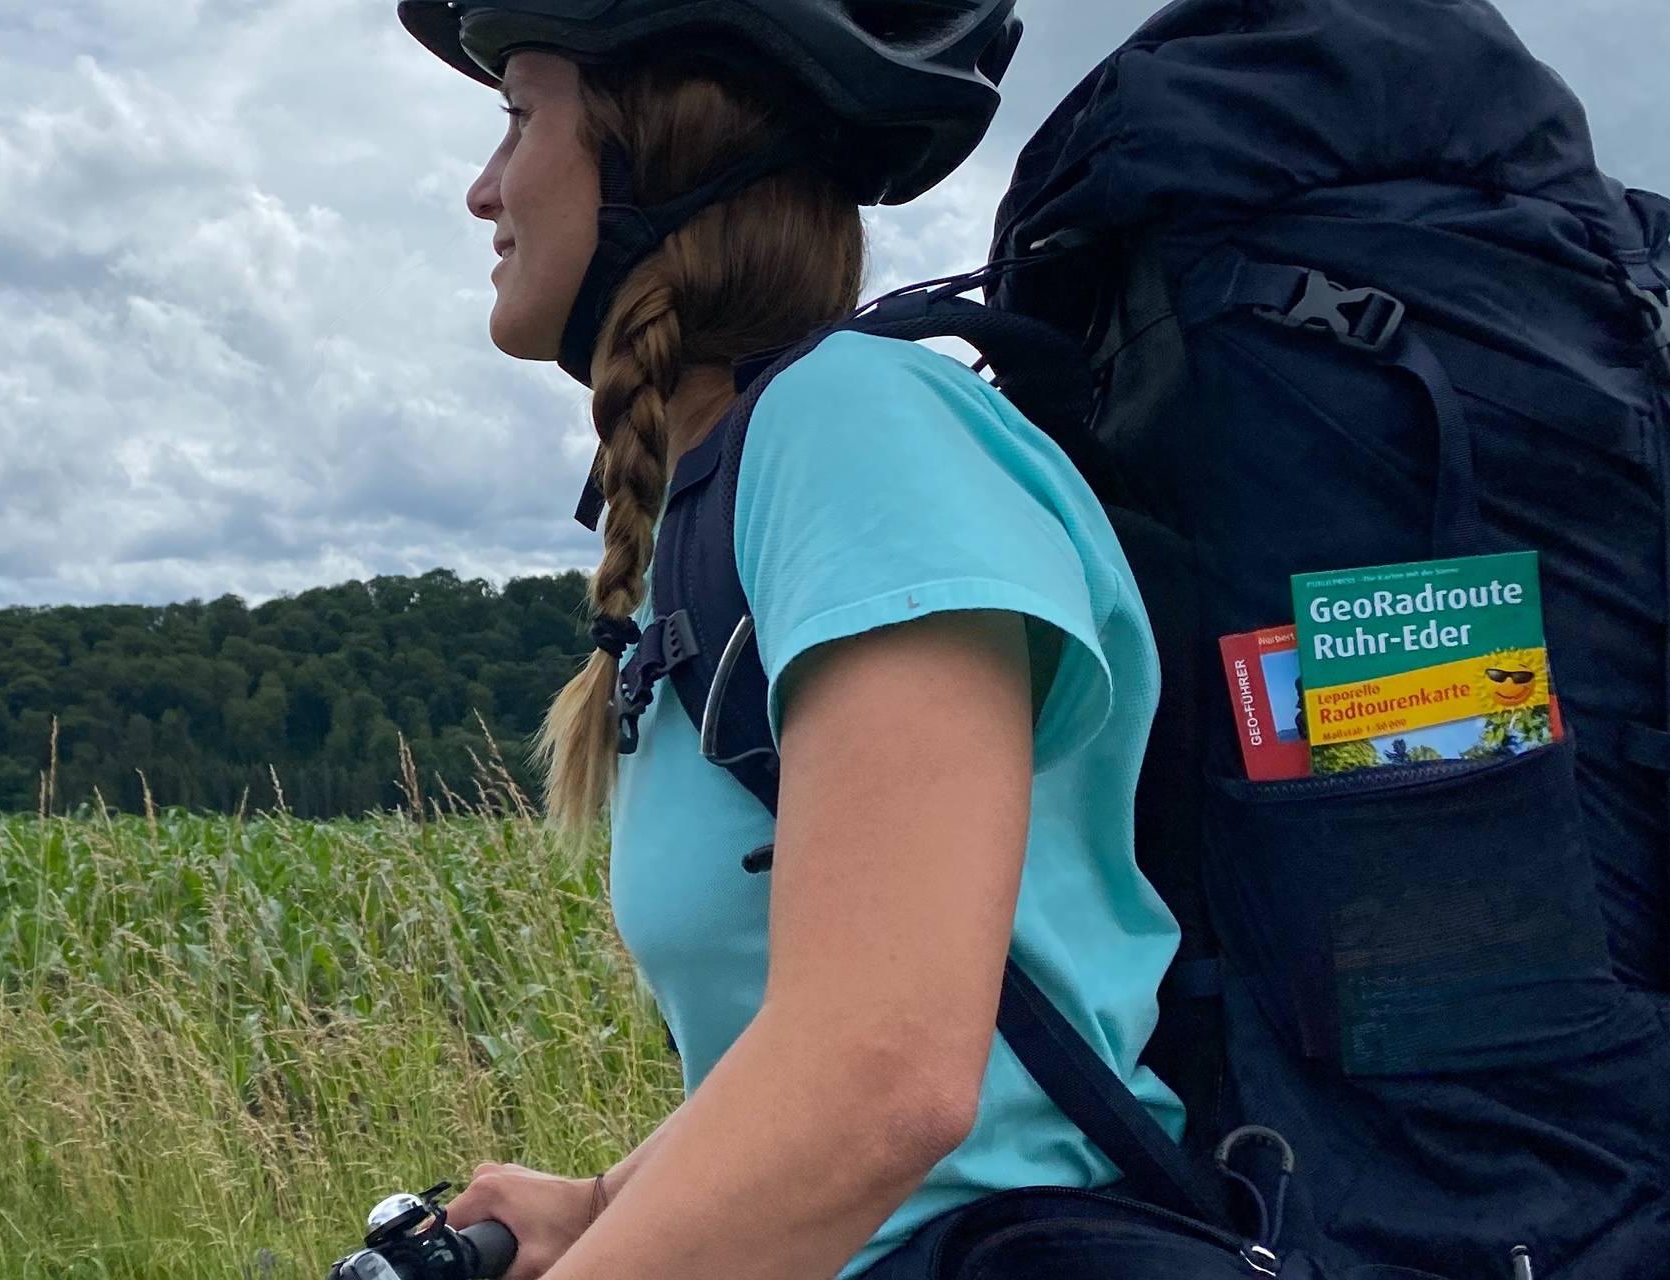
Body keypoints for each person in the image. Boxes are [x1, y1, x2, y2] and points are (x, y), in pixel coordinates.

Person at [396, 3, 1185, 1277]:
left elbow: (883, 1078)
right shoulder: (740, 484)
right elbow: (864, 1037)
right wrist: (603, 1203)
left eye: (517, 117)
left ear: (662, 147)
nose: (482, 189)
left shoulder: (854, 424)